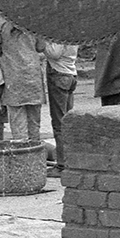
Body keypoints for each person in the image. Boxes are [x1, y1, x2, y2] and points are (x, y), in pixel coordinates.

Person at [0, 15, 46, 143]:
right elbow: (41, 47)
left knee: (18, 125)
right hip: (33, 77)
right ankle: (35, 155)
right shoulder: (34, 20)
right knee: (34, 124)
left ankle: (21, 158)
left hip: (13, 77)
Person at [42, 40, 79, 172]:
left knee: (59, 123)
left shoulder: (59, 34)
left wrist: (43, 44)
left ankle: (62, 164)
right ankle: (70, 161)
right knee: (68, 121)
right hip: (71, 73)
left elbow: (55, 53)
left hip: (59, 73)